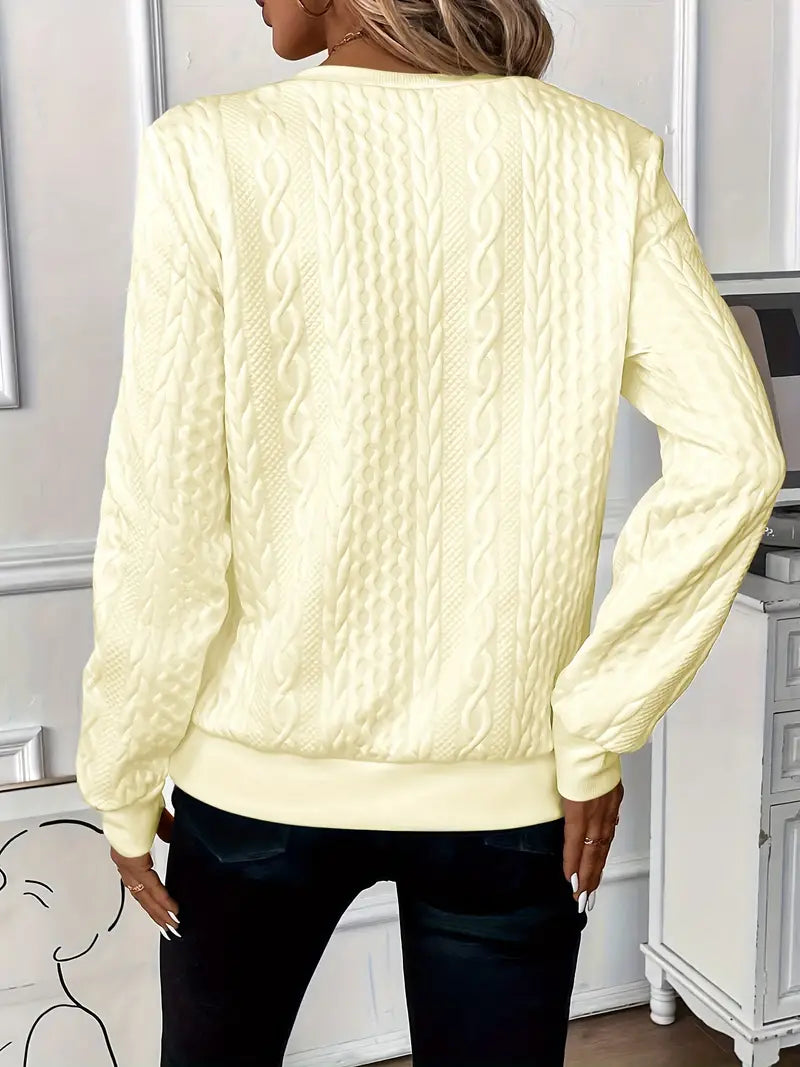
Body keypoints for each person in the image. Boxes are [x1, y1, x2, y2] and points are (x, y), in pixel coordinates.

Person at [75, 0, 786, 1061]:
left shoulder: (210, 152)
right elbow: (739, 454)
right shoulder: (606, 158)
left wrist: (123, 774)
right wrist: (593, 723)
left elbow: (163, 503)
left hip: (255, 792)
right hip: (511, 798)